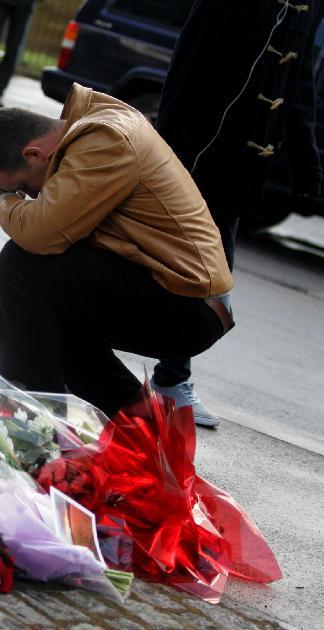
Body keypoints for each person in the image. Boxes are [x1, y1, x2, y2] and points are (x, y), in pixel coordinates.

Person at [0, 83, 235, 419]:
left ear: (33, 155)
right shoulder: (86, 138)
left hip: (187, 306)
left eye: (20, 188)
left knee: (19, 266)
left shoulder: (104, 142)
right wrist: (2, 290)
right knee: (33, 299)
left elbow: (38, 234)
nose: (25, 196)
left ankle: (29, 428)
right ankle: (144, 426)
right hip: (175, 293)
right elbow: (57, 237)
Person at [149, 0, 324, 426]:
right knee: (153, 259)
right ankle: (151, 371)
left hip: (240, 168)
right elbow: (188, 66)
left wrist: (307, 166)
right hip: (199, 152)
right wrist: (169, 154)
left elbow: (299, 84)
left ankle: (171, 377)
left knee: (209, 277)